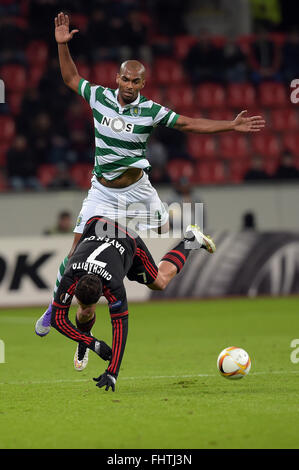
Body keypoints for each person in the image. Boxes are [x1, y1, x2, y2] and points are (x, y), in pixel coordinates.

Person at [35, 12, 265, 337]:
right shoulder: (99, 97)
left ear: (143, 84)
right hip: (102, 191)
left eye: (136, 81)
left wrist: (231, 124)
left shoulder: (151, 111)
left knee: (161, 227)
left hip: (139, 189)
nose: (129, 85)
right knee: (74, 251)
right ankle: (51, 310)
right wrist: (62, 46)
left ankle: (189, 239)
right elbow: (72, 78)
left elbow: (188, 123)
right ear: (117, 78)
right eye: (125, 79)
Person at [45, 215, 216, 392]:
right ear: (76, 285)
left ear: (102, 294)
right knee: (84, 311)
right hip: (97, 225)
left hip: (128, 240)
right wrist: (93, 343)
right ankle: (84, 337)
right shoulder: (70, 275)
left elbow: (120, 327)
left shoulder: (114, 287)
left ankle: (191, 239)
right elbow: (57, 320)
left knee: (160, 282)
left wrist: (113, 371)